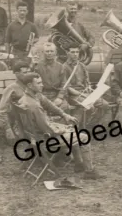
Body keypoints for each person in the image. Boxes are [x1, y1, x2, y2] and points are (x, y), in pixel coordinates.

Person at [17, 72, 79, 174]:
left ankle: (64, 158)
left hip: (32, 136)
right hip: (43, 139)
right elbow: (48, 130)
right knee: (82, 136)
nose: (42, 85)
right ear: (29, 85)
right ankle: (86, 169)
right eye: (38, 83)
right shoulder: (34, 105)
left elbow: (49, 105)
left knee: (67, 125)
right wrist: (64, 129)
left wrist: (64, 115)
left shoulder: (29, 97)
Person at [62, 45, 107, 179]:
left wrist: (88, 89)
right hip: (73, 95)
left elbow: (87, 82)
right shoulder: (64, 67)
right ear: (67, 53)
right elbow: (66, 86)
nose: (75, 54)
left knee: (104, 105)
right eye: (72, 51)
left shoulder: (81, 66)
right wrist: (78, 93)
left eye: (76, 52)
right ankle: (81, 131)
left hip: (83, 93)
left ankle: (89, 126)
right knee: (86, 107)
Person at [0, 61, 31, 146]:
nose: (27, 75)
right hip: (19, 122)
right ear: (17, 74)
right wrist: (8, 129)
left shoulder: (31, 84)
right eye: (25, 73)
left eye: (29, 72)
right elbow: (1, 111)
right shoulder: (11, 88)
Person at [33, 42, 68, 109]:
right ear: (43, 52)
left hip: (56, 94)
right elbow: (33, 81)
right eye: (47, 51)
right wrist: (33, 66)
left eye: (52, 51)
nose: (49, 53)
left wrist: (60, 97)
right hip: (42, 94)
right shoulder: (38, 66)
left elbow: (64, 84)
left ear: (55, 52)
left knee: (64, 106)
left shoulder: (60, 66)